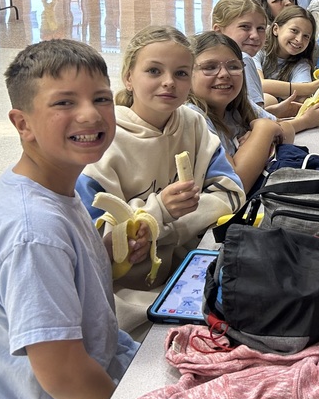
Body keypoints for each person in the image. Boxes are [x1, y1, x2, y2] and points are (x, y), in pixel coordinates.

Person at [0, 39, 205, 399]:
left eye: (100, 98)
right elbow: (64, 375)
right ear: (23, 123)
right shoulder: (34, 232)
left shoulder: (51, 190)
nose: (89, 114)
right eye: (64, 103)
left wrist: (108, 255)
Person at [76, 25, 244, 336]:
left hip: (188, 270)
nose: (169, 82)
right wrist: (158, 213)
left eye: (181, 73)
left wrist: (170, 225)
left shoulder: (192, 124)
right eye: (154, 70)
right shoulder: (103, 143)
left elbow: (232, 193)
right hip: (126, 296)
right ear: (129, 77)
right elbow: (98, 250)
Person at [190, 32, 319, 194]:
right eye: (210, 67)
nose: (224, 74)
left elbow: (287, 133)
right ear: (186, 74)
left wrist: (256, 143)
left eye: (233, 66)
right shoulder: (193, 118)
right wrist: (263, 130)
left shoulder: (240, 106)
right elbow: (235, 185)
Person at [259, 5, 319, 102]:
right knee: (269, 100)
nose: (299, 39)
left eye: (306, 36)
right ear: (276, 29)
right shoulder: (258, 51)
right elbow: (258, 84)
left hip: (278, 114)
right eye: (294, 30)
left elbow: (301, 98)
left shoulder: (301, 64)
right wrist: (311, 87)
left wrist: (305, 89)